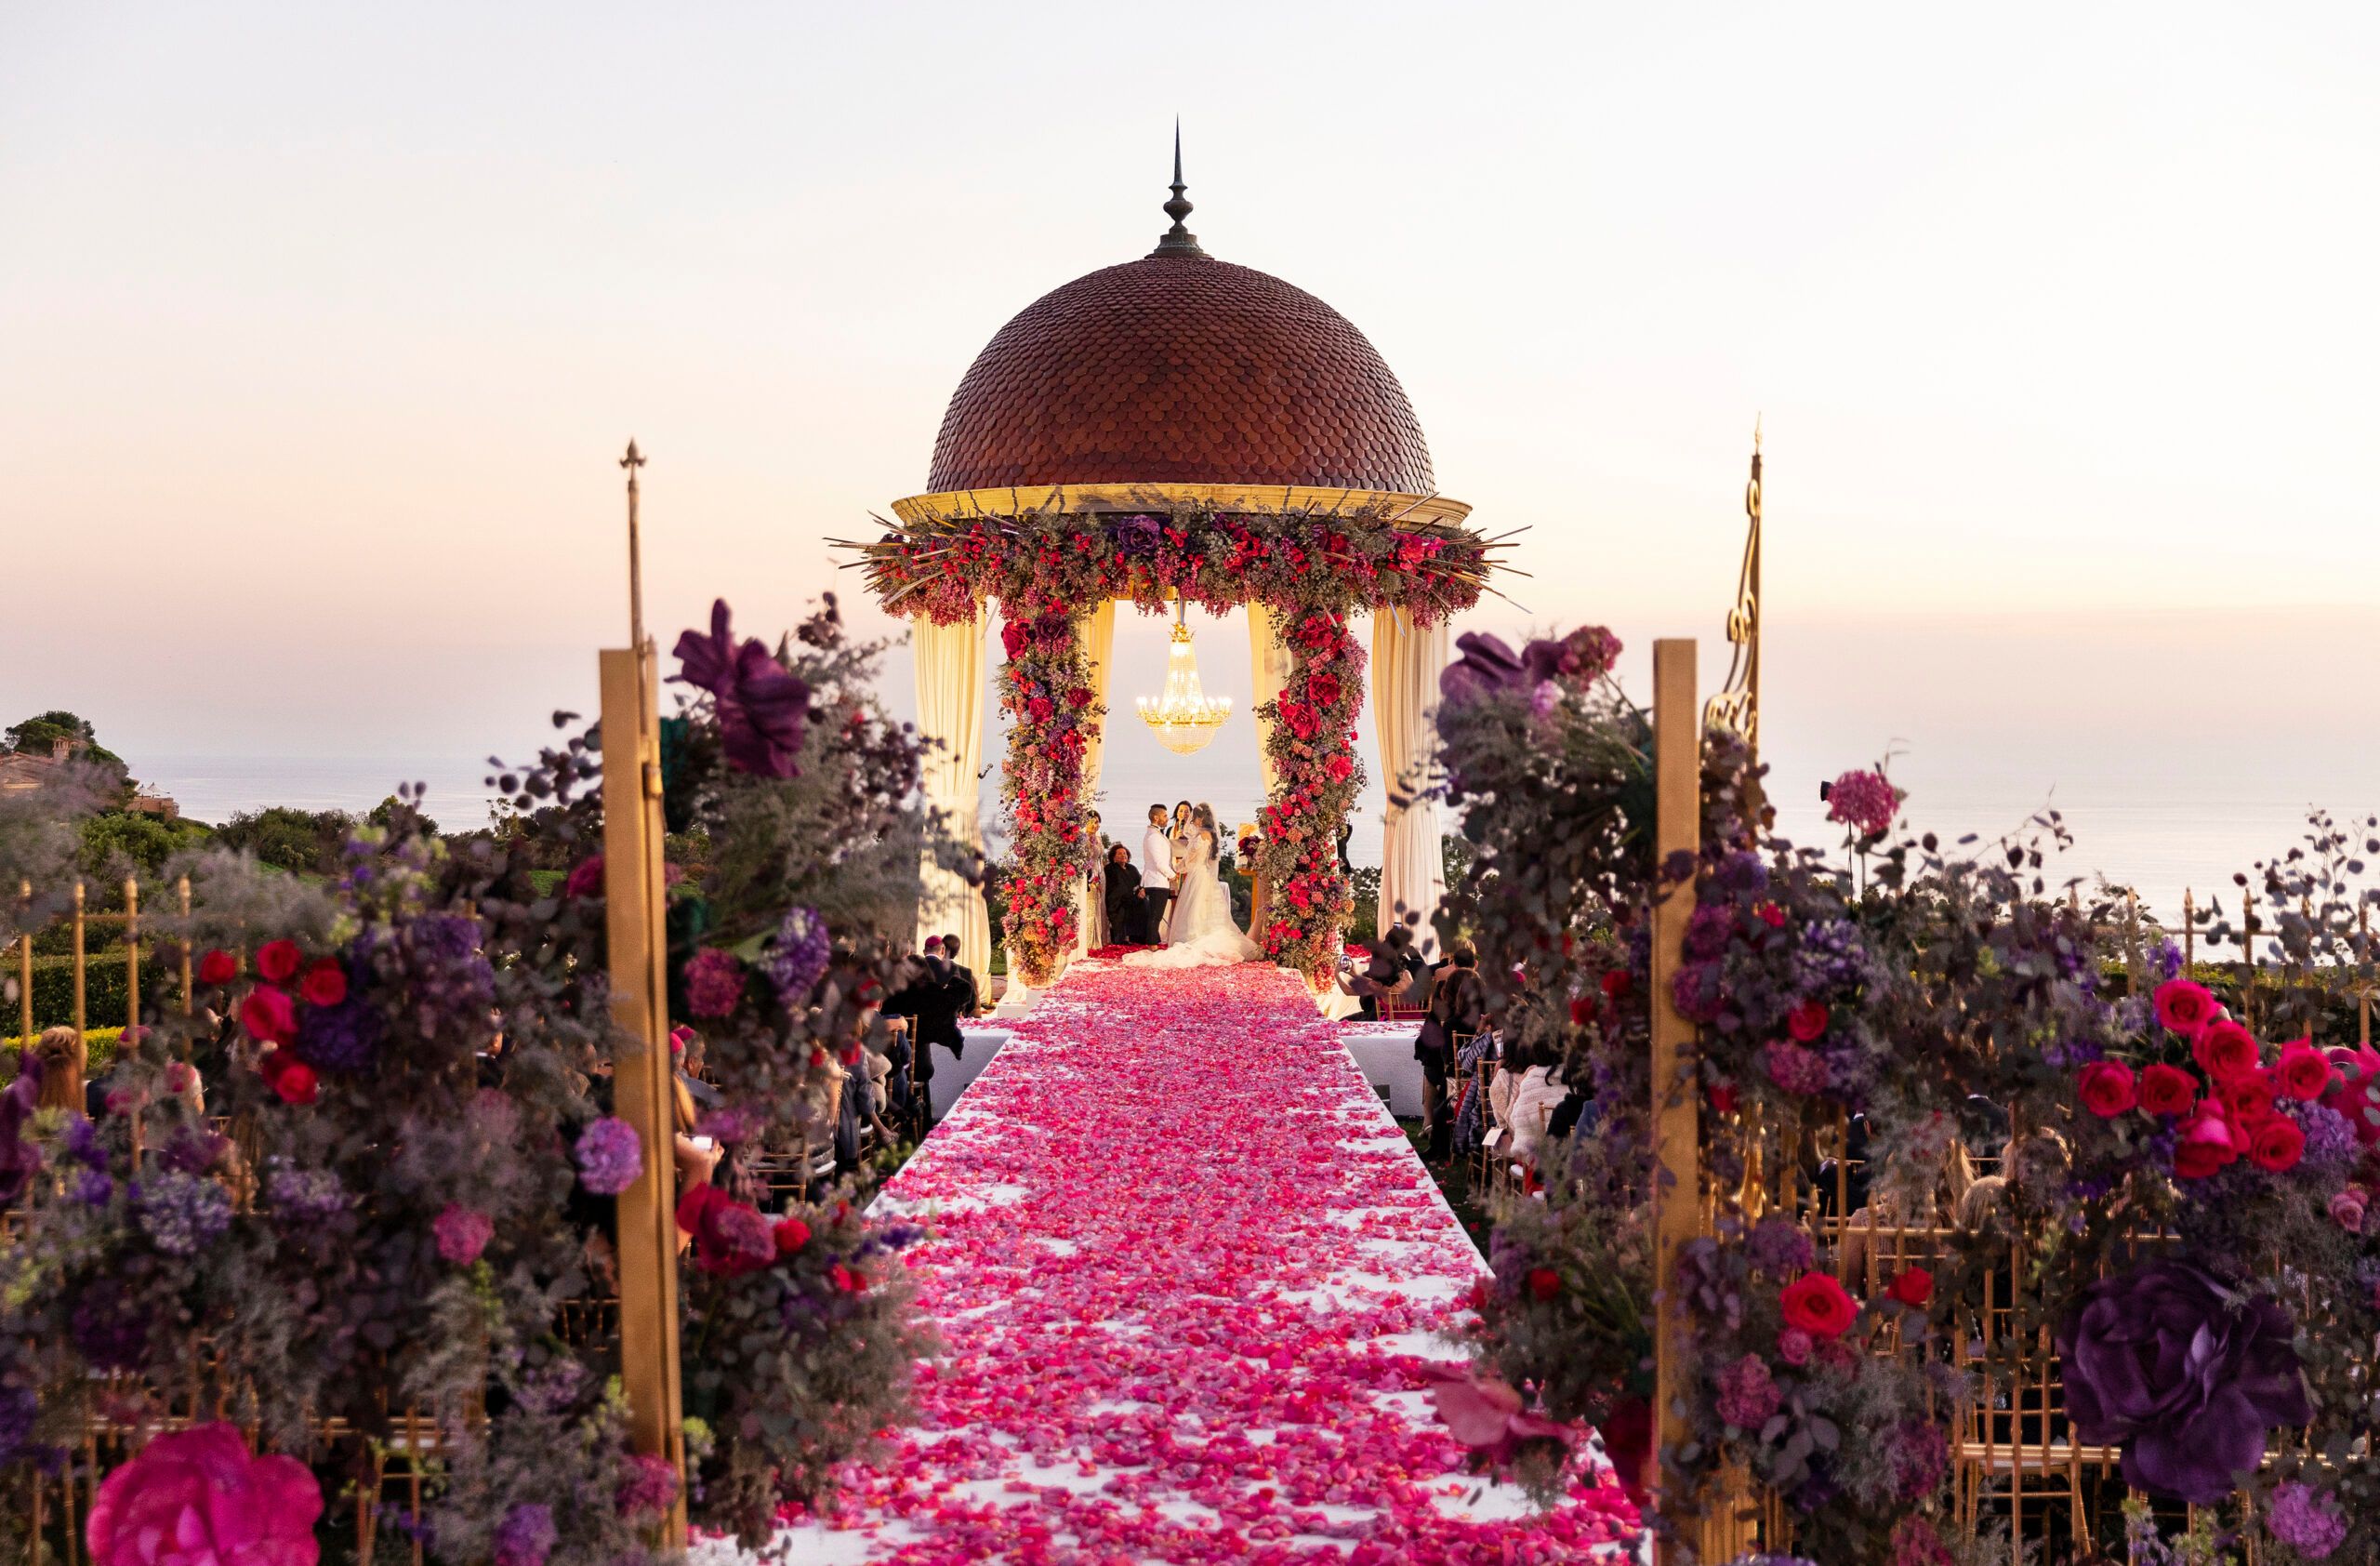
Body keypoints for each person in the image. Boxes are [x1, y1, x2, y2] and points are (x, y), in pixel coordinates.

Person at [1122, 803, 1262, 967]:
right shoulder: (1211, 835)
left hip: (1196, 876)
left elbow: (1189, 860)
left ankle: (1194, 939)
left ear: (1200, 818)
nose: (1191, 821)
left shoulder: (1199, 837)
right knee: (1206, 910)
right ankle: (1206, 936)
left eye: (1193, 818)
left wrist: (1176, 871)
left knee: (1194, 909)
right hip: (1207, 875)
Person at [1416, 942, 1486, 1159]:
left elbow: (1449, 1059)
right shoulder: (1487, 1015)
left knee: (1432, 1065)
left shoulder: (1452, 1022)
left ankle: (1430, 1124)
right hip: (1487, 1075)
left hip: (1459, 1075)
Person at [1338, 926, 1419, 1018]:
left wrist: (1336, 974)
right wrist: (1354, 975)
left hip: (1385, 1019)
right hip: (1415, 1019)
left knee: (1344, 1020)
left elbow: (1348, 991)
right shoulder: (1406, 973)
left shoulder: (1382, 986)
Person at [1139, 804, 1175, 945]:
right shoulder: (1153, 836)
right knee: (1155, 916)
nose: (1167, 818)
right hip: (1156, 881)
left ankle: (1153, 941)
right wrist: (1172, 875)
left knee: (1156, 916)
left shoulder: (1157, 834)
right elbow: (1159, 862)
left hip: (1159, 881)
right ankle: (1152, 944)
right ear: (1156, 817)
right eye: (1165, 816)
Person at [1102, 843, 1143, 948]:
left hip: (1132, 899)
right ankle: (1120, 939)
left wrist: (1141, 891)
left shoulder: (1132, 868)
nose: (1123, 855)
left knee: (1145, 904)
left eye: (1124, 853)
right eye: (1119, 854)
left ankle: (1140, 937)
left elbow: (1140, 882)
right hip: (1117, 900)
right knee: (1121, 909)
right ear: (1113, 857)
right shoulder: (1110, 869)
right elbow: (1116, 889)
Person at [939, 934, 980, 1017]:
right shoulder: (966, 972)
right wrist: (963, 1013)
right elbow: (972, 1000)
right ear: (957, 953)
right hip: (958, 1017)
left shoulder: (929, 969)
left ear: (941, 949)